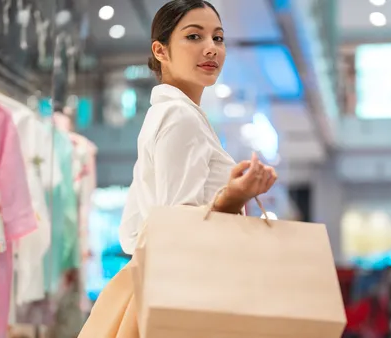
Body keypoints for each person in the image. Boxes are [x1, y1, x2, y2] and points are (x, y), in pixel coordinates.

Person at [119, 0, 278, 255]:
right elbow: (180, 232)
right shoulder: (179, 116)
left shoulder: (164, 114)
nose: (211, 48)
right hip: (194, 286)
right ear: (161, 51)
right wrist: (233, 197)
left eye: (218, 38)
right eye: (194, 36)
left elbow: (131, 233)